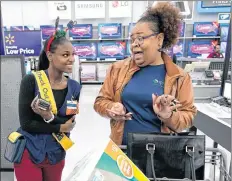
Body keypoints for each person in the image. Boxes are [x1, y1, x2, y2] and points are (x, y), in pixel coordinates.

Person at [94, 2, 197, 146]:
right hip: (121, 151)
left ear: (159, 39)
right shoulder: (117, 69)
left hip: (160, 155)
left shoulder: (179, 77)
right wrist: (111, 108)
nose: (135, 43)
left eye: (141, 38)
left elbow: (188, 116)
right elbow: (100, 102)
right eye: (132, 39)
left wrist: (168, 116)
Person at [14, 28, 81, 181]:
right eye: (65, 55)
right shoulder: (31, 81)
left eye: (73, 54)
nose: (71, 59)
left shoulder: (74, 87)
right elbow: (26, 124)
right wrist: (58, 126)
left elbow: (69, 123)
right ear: (50, 56)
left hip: (56, 153)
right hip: (29, 151)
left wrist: (49, 116)